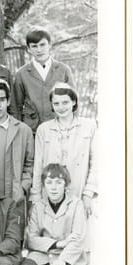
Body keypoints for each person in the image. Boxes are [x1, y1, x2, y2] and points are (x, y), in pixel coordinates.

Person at [30, 82, 97, 213]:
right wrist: (36, 198)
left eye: (65, 102)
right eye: (56, 103)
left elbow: (96, 163)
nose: (61, 107)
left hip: (79, 194)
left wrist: (88, 193)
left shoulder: (89, 127)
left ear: (74, 101)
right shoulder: (43, 130)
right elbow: (38, 166)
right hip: (50, 197)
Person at [12, 29, 76, 133]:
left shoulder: (63, 70)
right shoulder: (21, 74)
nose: (39, 50)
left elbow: (74, 101)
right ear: (28, 49)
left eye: (42, 45)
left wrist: (73, 127)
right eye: (34, 46)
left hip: (60, 127)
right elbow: (16, 106)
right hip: (32, 130)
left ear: (50, 45)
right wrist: (18, 131)